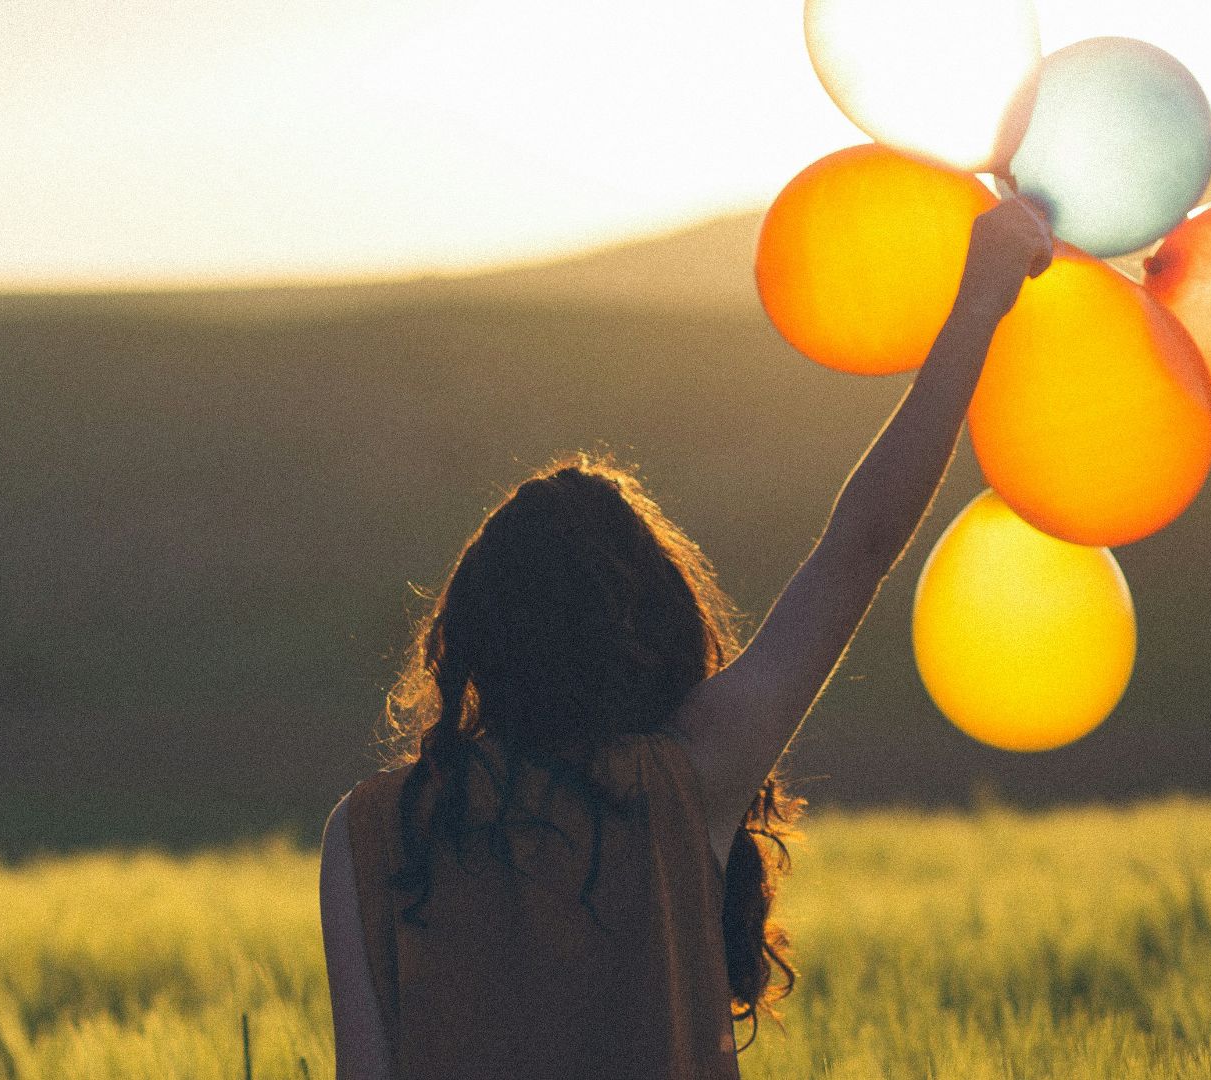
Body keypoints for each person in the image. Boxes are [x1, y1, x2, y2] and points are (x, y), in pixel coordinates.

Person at [319, 196, 1054, 1079]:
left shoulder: (368, 832)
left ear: (474, 635)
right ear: (650, 626)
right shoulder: (682, 780)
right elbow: (859, 548)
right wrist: (979, 298)